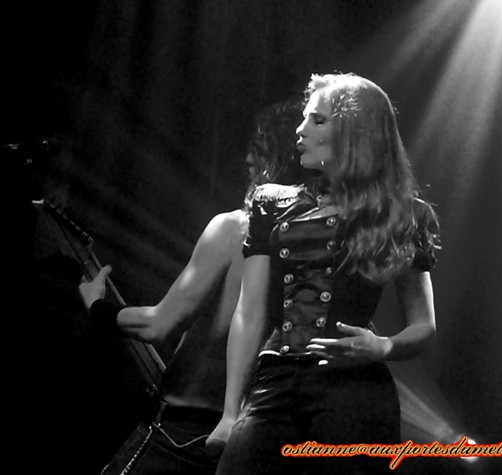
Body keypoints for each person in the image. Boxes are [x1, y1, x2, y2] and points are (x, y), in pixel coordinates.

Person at [208, 73, 440, 475]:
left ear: (355, 132)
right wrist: (230, 413)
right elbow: (249, 312)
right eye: (304, 118)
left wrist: (384, 346)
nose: (300, 131)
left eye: (317, 120)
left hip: (354, 390)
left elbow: (424, 325)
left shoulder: (405, 214)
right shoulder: (271, 203)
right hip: (274, 383)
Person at [79, 99, 318, 475]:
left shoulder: (234, 228)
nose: (247, 160)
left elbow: (159, 324)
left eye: (258, 150)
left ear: (281, 159)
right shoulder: (316, 244)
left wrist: (98, 307)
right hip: (260, 440)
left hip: (183, 434)